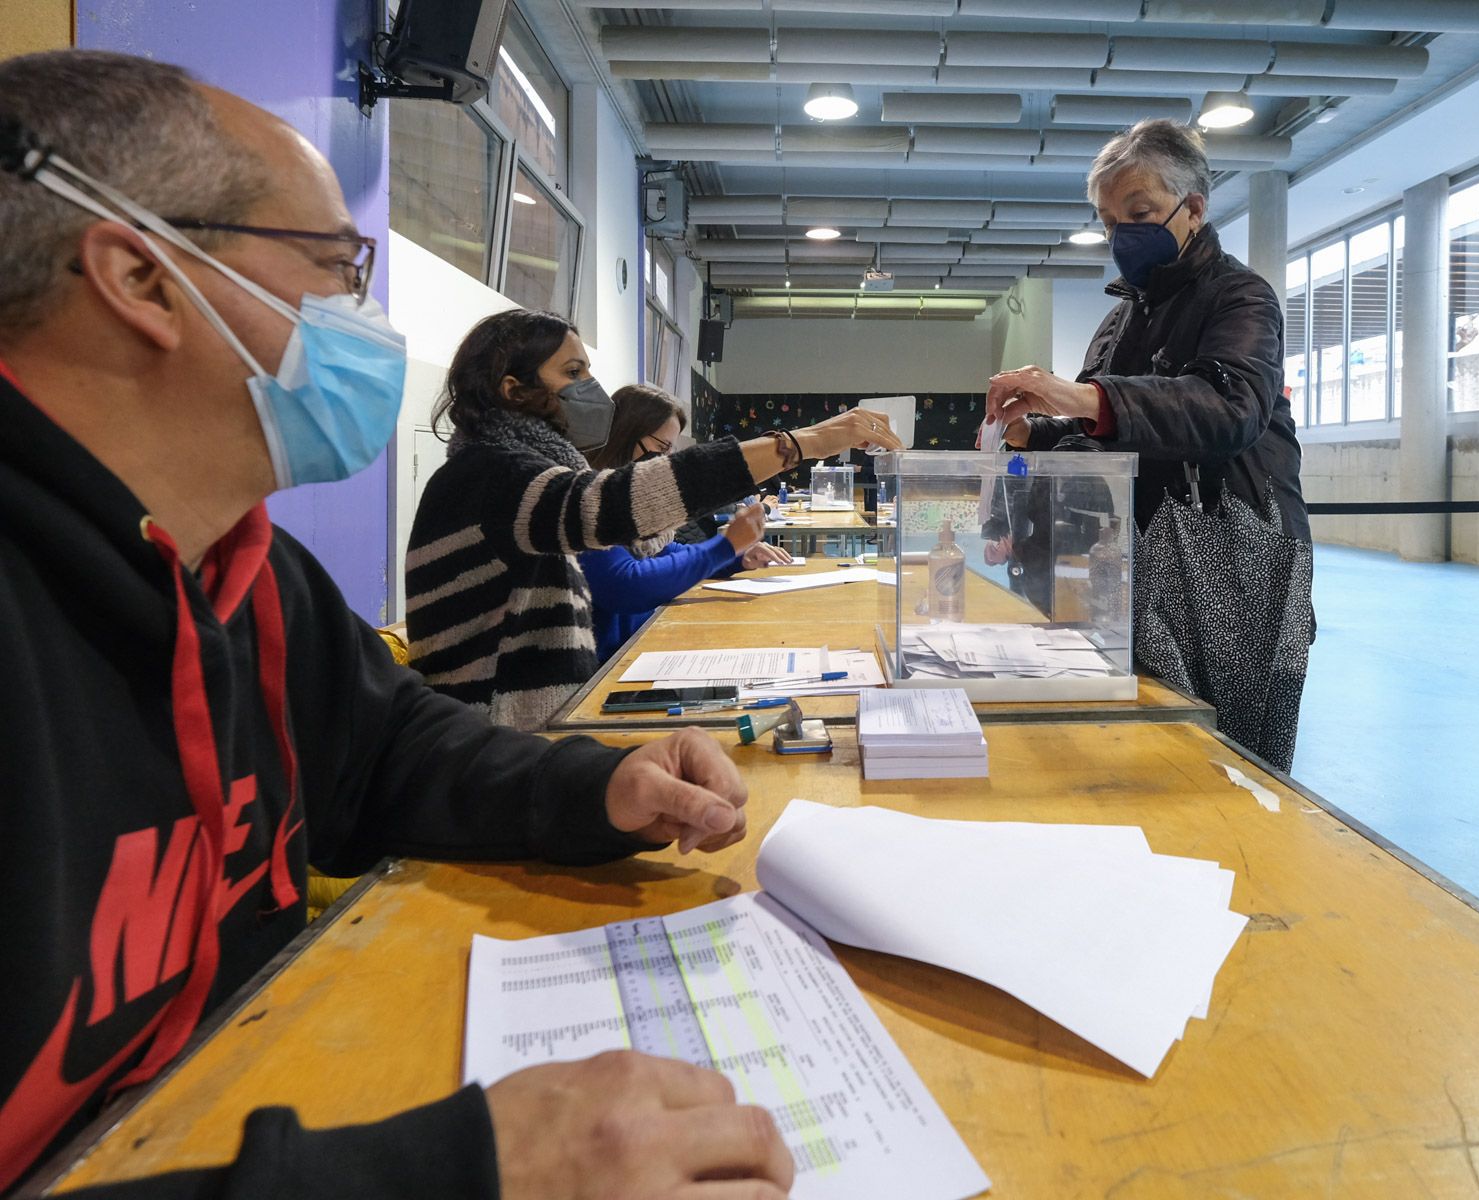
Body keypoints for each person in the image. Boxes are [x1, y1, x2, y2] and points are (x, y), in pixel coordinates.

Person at [0, 50, 796, 1197]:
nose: (362, 317)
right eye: (335, 264)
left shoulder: (247, 569)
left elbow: (386, 750)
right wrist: (454, 1172)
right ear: (141, 277)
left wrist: (590, 787)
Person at [983, 119, 1312, 770]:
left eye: (1140, 213)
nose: (1121, 235)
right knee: (1146, 742)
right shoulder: (1119, 318)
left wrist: (1082, 399)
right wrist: (1032, 434)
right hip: (1133, 552)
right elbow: (1096, 430)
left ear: (1194, 208)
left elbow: (1229, 408)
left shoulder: (1241, 298)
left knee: (1232, 757)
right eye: (1109, 221)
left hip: (1233, 549)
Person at [406, 312, 897, 731]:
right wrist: (799, 444)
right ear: (514, 390)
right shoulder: (493, 474)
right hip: (496, 744)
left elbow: (635, 526)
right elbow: (622, 506)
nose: (591, 389)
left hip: (526, 730)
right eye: (572, 371)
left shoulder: (511, 470)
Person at [578, 384, 792, 662]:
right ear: (624, 435)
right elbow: (626, 585)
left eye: (671, 452)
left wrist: (737, 558)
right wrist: (723, 548)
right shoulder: (586, 500)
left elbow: (665, 552)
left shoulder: (626, 505)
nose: (665, 463)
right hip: (604, 667)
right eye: (660, 448)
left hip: (635, 648)